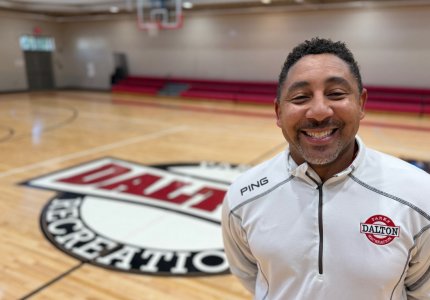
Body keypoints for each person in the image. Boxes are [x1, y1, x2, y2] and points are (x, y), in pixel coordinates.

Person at [221, 37, 430, 299]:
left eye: (336, 94)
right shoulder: (243, 197)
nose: (319, 111)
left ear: (361, 104)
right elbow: (251, 275)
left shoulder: (420, 196)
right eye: (300, 97)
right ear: (278, 112)